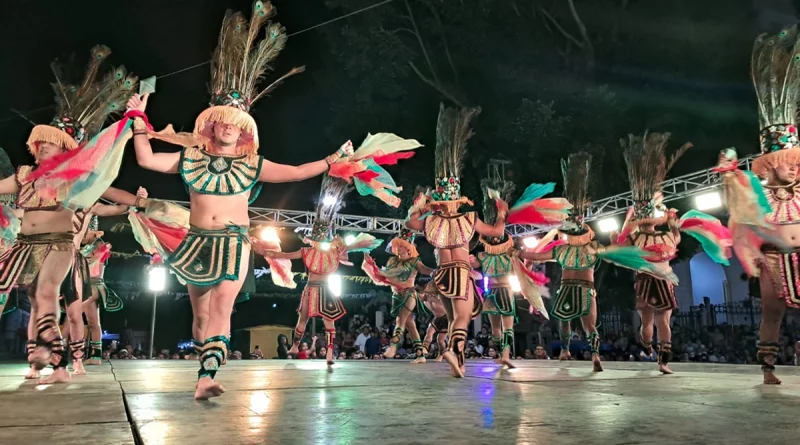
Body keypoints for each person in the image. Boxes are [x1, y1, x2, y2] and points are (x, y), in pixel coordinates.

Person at [127, 2, 355, 400]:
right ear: (211, 122)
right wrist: (138, 124)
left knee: (221, 307)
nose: (229, 127)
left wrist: (332, 160)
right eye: (223, 121)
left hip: (234, 241)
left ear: (245, 129)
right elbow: (145, 159)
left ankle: (206, 376)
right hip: (196, 241)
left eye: (237, 123)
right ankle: (205, 357)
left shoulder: (253, 165)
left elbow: (299, 171)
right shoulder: (190, 157)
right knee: (199, 318)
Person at [0, 46, 138, 383]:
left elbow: (109, 191)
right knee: (35, 299)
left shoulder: (74, 180)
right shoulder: (23, 175)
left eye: (52, 142)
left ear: (65, 150)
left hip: (60, 246)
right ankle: (40, 359)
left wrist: (138, 201)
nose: (45, 146)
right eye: (41, 142)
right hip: (24, 244)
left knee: (49, 294)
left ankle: (57, 356)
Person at [718, 26, 800, 385]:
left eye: (797, 161)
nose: (794, 166)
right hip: (772, 259)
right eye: (788, 161)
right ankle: (768, 367)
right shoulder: (759, 194)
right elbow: (739, 217)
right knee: (772, 310)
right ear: (769, 163)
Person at [405, 104, 508, 378]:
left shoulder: (431, 221)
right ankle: (452, 351)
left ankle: (458, 364)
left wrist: (422, 206)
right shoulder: (470, 219)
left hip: (441, 275)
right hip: (460, 273)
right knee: (463, 318)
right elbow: (497, 233)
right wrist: (503, 214)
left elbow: (408, 222)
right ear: (458, 198)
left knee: (452, 319)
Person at [259, 174, 382, 367]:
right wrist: (269, 253)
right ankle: (307, 349)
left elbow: (287, 255)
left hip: (317, 289)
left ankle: (320, 351)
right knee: (313, 320)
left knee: (314, 320)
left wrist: (346, 248)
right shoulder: (317, 251)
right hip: (318, 289)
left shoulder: (327, 251)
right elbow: (286, 255)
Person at [362, 227, 434, 359]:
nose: (398, 248)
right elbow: (385, 275)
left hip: (409, 294)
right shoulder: (392, 261)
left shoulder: (414, 261)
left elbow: (426, 270)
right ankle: (420, 355)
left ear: (408, 248)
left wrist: (436, 271)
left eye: (401, 245)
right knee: (410, 325)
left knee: (400, 319)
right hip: (396, 295)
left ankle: (393, 346)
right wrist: (369, 262)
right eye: (397, 245)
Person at [415, 282, 448, 363]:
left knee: (440, 340)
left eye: (421, 294)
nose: (420, 297)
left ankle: (441, 354)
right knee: (429, 331)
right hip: (437, 318)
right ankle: (425, 348)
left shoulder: (431, 296)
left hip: (446, 318)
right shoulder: (423, 300)